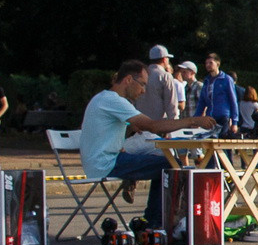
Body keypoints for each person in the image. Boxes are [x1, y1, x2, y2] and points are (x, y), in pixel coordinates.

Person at [80, 58, 214, 230]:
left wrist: (133, 127)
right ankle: (154, 221)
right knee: (170, 165)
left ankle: (153, 215)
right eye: (142, 84)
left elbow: (135, 127)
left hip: (104, 158)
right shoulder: (114, 101)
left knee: (158, 150)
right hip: (106, 163)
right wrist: (193, 120)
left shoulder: (104, 98)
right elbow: (153, 125)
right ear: (128, 80)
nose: (143, 91)